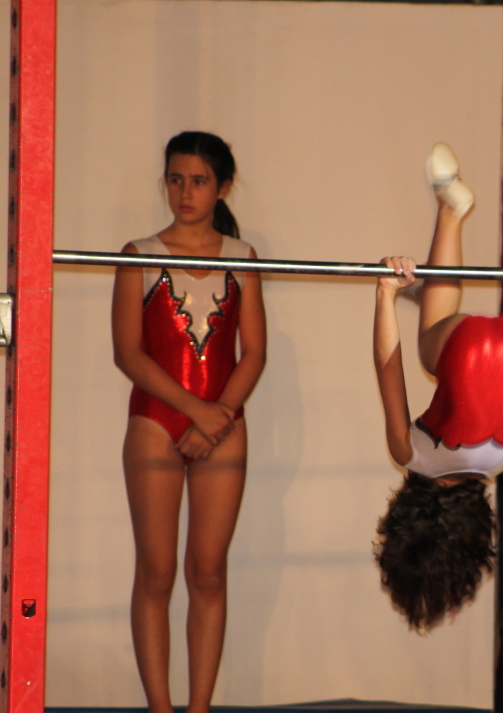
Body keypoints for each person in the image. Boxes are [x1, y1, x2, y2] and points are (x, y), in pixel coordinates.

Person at [372, 142, 503, 631]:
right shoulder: (410, 455)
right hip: (463, 347)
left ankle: (449, 216)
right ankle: (451, 214)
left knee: (443, 345)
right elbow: (388, 368)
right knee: (425, 348)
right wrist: (385, 294)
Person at [112, 131, 266, 713]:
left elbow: (254, 354)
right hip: (156, 423)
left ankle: (199, 708)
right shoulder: (139, 254)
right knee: (156, 574)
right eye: (176, 179)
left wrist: (215, 418)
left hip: (223, 426)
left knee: (208, 574)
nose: (185, 192)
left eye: (199, 181)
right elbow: (128, 353)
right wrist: (196, 411)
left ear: (222, 187)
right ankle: (160, 707)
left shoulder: (243, 258)